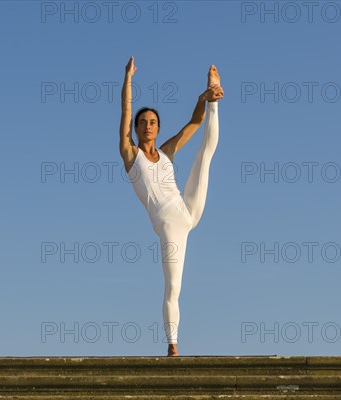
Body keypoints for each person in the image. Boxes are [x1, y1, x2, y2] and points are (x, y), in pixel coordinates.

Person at [119, 56, 223, 356]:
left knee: (205, 153)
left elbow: (195, 122)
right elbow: (126, 111)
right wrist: (128, 79)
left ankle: (215, 96)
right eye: (143, 123)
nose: (148, 126)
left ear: (158, 127)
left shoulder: (166, 152)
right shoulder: (131, 155)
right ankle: (173, 344)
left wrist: (203, 98)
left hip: (186, 211)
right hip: (169, 227)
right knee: (173, 286)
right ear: (137, 129)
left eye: (152, 122)